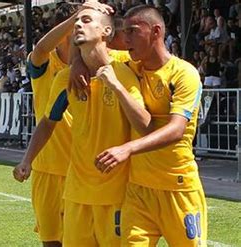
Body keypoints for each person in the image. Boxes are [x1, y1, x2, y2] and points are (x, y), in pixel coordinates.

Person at [16, 4, 151, 246]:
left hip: (110, 186)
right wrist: (27, 159)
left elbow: (145, 124)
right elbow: (47, 122)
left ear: (106, 31)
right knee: (51, 240)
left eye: (85, 21)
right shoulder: (58, 75)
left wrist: (113, 84)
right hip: (66, 181)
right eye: (76, 22)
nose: (78, 25)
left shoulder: (124, 67)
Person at [93, 5, 207, 246]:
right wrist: (80, 65)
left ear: (156, 31)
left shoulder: (184, 74)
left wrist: (127, 148)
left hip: (177, 186)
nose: (125, 38)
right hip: (139, 189)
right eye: (124, 32)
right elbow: (92, 49)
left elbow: (177, 130)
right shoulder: (131, 67)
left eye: (133, 31)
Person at [12, 3, 76, 246]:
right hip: (48, 168)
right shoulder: (45, 63)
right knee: (51, 242)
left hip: (81, 169)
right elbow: (39, 49)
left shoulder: (94, 64)